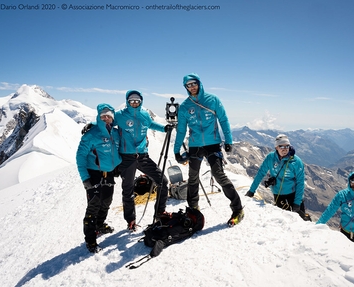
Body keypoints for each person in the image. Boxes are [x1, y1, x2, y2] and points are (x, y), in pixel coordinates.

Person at [173, 73, 244, 226]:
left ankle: (238, 209)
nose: (192, 87)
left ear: (199, 83)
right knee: (193, 177)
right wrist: (176, 150)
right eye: (188, 85)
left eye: (194, 84)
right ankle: (193, 208)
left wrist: (228, 140)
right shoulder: (185, 106)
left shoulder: (213, 100)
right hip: (195, 146)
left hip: (213, 144)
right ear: (186, 87)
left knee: (219, 175)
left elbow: (223, 119)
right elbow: (180, 129)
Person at [115, 90, 173, 231]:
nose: (134, 102)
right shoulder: (120, 115)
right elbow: (106, 121)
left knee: (163, 182)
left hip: (142, 156)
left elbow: (151, 124)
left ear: (141, 101)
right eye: (131, 100)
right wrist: (92, 125)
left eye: (137, 100)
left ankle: (160, 212)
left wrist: (165, 128)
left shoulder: (144, 114)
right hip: (127, 157)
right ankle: (131, 220)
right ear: (127, 101)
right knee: (128, 189)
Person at [76, 103, 122, 253]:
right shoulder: (91, 134)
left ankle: (99, 225)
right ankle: (90, 240)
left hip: (108, 173)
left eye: (109, 116)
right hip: (93, 174)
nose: (106, 118)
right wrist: (85, 179)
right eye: (103, 116)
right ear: (99, 117)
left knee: (106, 201)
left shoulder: (115, 133)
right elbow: (80, 156)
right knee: (94, 206)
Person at [246, 134, 308, 219]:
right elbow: (260, 173)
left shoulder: (296, 161)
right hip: (278, 195)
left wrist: (297, 203)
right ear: (276, 147)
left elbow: (300, 183)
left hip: (293, 195)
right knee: (283, 221)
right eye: (281, 146)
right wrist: (251, 191)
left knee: (301, 221)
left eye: (287, 146)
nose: (285, 149)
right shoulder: (270, 158)